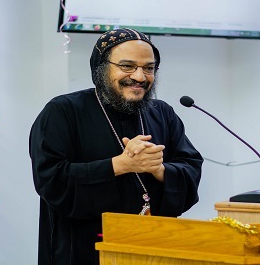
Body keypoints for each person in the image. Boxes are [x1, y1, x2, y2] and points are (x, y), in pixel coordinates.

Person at [29, 28, 203, 265]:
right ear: (101, 69)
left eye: (149, 68)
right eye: (127, 66)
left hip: (152, 249)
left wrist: (159, 170)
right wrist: (118, 165)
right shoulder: (63, 112)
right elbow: (50, 179)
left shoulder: (161, 113)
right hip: (81, 251)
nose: (140, 77)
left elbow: (190, 166)